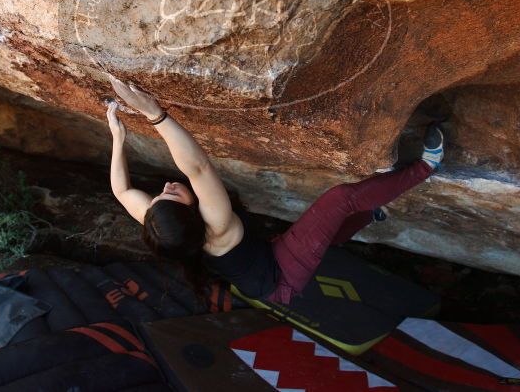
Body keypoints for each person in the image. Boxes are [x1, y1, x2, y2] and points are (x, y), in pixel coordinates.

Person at [105, 76, 445, 305]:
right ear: (190, 217)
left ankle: (371, 213)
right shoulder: (216, 226)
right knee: (340, 199)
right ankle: (426, 168)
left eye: (160, 196)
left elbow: (122, 191)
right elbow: (197, 168)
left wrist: (118, 138)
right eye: (172, 195)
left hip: (262, 263)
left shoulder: (169, 229)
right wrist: (154, 114)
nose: (167, 187)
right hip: (280, 278)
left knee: (322, 233)